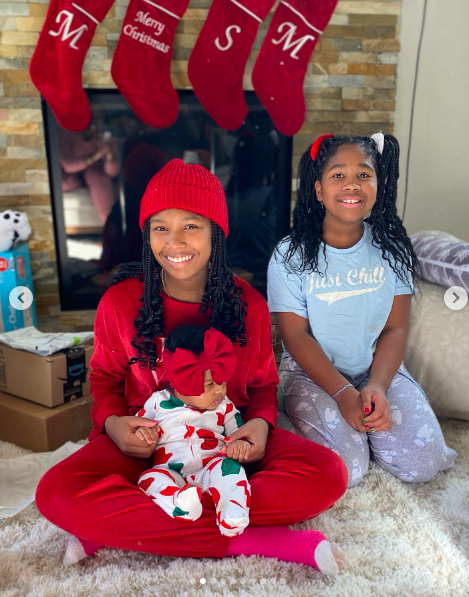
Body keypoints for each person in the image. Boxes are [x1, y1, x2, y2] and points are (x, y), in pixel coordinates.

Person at [35, 159, 347, 575]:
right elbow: (106, 378)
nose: (174, 241)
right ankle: (250, 538)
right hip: (144, 451)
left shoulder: (249, 304)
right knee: (56, 493)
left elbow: (262, 385)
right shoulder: (119, 302)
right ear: (147, 235)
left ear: (215, 233)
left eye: (191, 226)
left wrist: (260, 425)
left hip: (225, 443)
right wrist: (113, 425)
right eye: (160, 227)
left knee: (327, 475)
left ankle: (118, 529)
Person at [267, 133, 457, 488]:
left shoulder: (392, 251)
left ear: (378, 184)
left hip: (377, 370)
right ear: (319, 189)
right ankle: (289, 424)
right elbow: (294, 335)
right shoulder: (289, 256)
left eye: (364, 174)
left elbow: (395, 329)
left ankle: (369, 432)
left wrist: (379, 388)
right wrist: (342, 394)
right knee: (346, 470)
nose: (351, 184)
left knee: (422, 464)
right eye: (338, 175)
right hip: (313, 375)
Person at [134, 324, 251, 537]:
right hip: (170, 471)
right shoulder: (156, 402)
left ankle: (232, 514)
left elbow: (239, 433)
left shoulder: (224, 405)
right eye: (208, 385)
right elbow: (136, 428)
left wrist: (240, 444)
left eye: (221, 381)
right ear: (178, 382)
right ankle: (181, 504)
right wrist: (144, 434)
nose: (219, 389)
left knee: (231, 469)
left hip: (211, 468)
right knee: (147, 479)